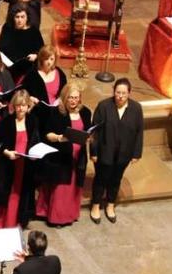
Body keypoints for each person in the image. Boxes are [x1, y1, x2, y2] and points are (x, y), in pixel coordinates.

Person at [37, 81, 91, 227]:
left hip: (78, 157)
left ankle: (70, 215)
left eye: (76, 98)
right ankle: (57, 218)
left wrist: (89, 137)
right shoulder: (57, 113)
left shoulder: (85, 112)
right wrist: (60, 138)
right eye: (70, 98)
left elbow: (88, 130)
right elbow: (47, 134)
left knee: (73, 188)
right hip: (62, 157)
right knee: (61, 190)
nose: (73, 101)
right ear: (64, 97)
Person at [0, 90, 40, 229]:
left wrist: (34, 153)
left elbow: (35, 141)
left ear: (28, 106)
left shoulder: (32, 121)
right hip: (7, 163)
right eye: (18, 105)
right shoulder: (5, 122)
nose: (21, 108)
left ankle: (16, 220)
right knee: (5, 191)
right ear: (14, 106)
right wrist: (7, 152)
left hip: (24, 164)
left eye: (24, 105)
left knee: (20, 192)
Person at [89, 78, 143, 224]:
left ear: (129, 94)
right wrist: (93, 152)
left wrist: (136, 153)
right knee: (101, 178)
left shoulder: (136, 108)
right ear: (114, 92)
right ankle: (95, 205)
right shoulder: (104, 106)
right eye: (118, 92)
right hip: (104, 152)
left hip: (124, 154)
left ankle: (110, 205)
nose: (120, 96)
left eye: (123, 93)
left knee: (115, 179)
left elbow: (139, 132)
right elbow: (95, 132)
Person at [0, 3, 44, 81]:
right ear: (13, 18)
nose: (20, 20)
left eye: (22, 17)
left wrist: (36, 55)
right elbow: (1, 46)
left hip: (26, 66)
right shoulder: (7, 27)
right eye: (17, 17)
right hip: (8, 65)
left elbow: (42, 50)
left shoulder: (33, 31)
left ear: (27, 18)